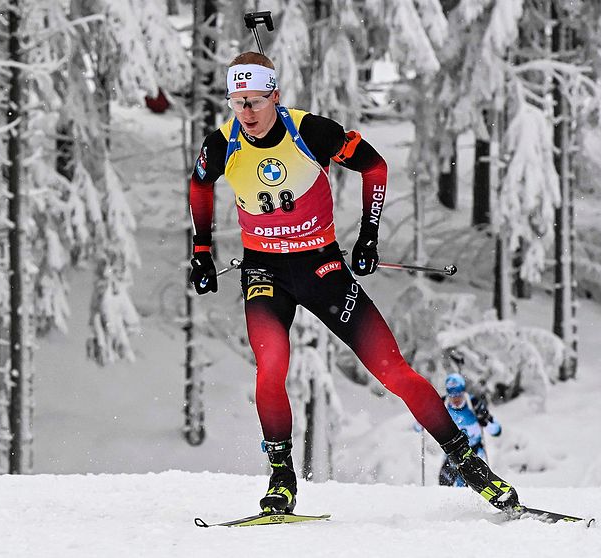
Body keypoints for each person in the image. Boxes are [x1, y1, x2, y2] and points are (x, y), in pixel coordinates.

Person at [187, 51, 518, 514]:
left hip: (322, 269)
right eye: (237, 102)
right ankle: (282, 481)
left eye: (256, 101)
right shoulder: (222, 143)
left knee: (393, 370)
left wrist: (368, 235)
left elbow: (375, 166)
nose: (247, 113)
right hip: (265, 273)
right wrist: (202, 249)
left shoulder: (312, 131)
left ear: (275, 97)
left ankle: (470, 466)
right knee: (271, 369)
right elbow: (200, 185)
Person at [438, 374, 503, 487]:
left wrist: (485, 422)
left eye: (458, 395)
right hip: (452, 452)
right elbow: (419, 426)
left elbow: (496, 431)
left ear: (463, 392)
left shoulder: (473, 403)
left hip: (474, 450)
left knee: (469, 483)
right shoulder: (442, 404)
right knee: (444, 483)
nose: (456, 399)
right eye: (452, 396)